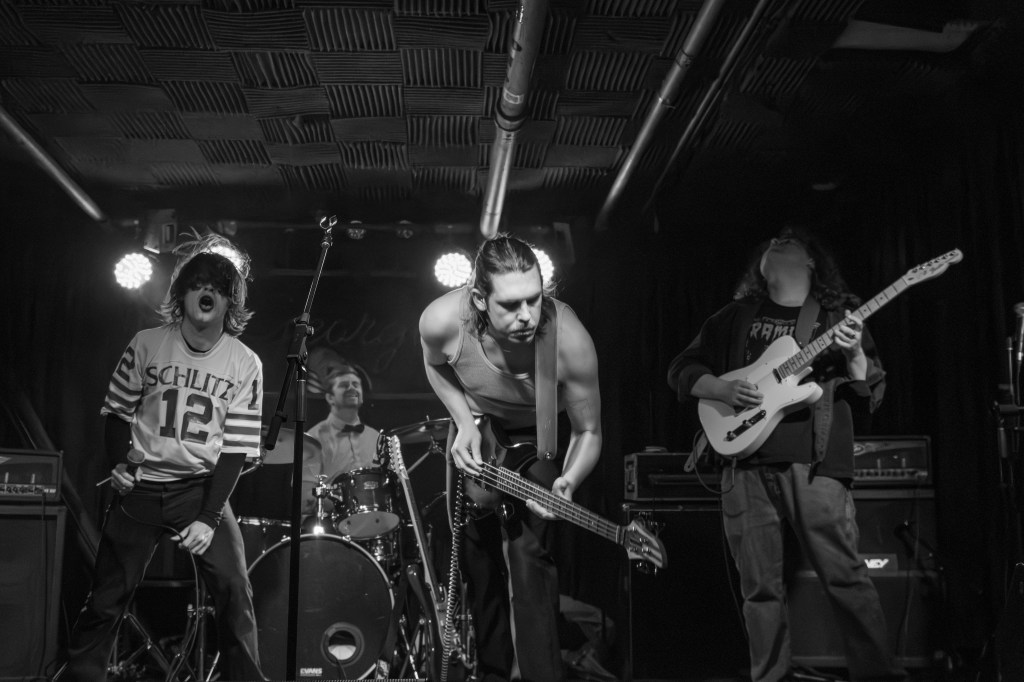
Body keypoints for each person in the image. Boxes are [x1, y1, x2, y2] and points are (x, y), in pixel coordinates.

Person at [666, 225, 906, 682]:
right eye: (772, 242)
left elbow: (869, 393)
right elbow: (681, 368)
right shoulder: (734, 316)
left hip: (816, 466)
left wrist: (855, 353)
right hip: (743, 465)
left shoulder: (835, 318)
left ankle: (878, 675)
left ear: (811, 261)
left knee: (845, 577)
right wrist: (720, 388)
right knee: (759, 590)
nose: (777, 242)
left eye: (789, 242)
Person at [62, 236, 265, 681]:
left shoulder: (245, 362)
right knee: (106, 598)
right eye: (198, 284)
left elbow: (236, 448)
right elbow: (117, 412)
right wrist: (120, 464)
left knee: (235, 589)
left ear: (230, 301)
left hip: (200, 489)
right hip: (143, 485)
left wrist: (209, 517)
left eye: (218, 287)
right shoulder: (147, 342)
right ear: (182, 294)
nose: (207, 291)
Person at [418, 234, 602, 682]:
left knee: (529, 564)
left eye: (534, 300)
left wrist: (569, 480)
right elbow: (435, 366)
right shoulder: (441, 321)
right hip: (478, 434)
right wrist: (464, 421)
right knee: (478, 566)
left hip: (535, 440)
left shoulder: (569, 339)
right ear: (479, 299)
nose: (527, 316)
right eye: (511, 304)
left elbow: (589, 430)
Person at [303, 365, 382, 516]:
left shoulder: (376, 437)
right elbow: (305, 495)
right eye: (344, 385)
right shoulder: (313, 438)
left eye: (356, 384)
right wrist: (341, 506)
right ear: (330, 398)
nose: (352, 388)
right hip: (331, 520)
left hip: (373, 519)